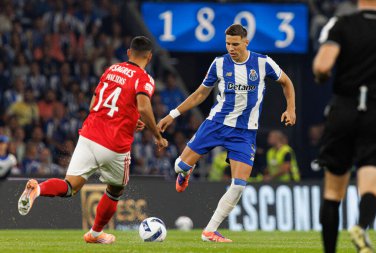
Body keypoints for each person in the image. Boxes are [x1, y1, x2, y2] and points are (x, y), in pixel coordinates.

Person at [17, 36, 168, 244]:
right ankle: (95, 233)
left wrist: (130, 120)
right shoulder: (144, 79)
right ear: (149, 57)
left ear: (128, 52)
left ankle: (38, 189)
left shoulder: (111, 70)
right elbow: (143, 107)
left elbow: (94, 105)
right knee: (115, 190)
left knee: (70, 186)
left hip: (88, 135)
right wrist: (157, 135)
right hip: (114, 145)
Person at [158, 24, 296, 242]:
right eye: (228, 44)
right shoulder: (219, 64)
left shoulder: (262, 62)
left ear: (246, 42)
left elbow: (286, 82)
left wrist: (290, 109)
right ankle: (185, 173)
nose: (231, 48)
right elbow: (199, 95)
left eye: (235, 44)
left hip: (245, 132)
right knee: (179, 166)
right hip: (216, 124)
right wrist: (172, 115)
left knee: (239, 185)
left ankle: (210, 230)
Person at [313, 1, 376, 252]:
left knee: (332, 191)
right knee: (371, 175)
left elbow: (322, 66)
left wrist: (321, 78)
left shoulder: (343, 25)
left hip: (344, 108)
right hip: (375, 110)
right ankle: (361, 226)